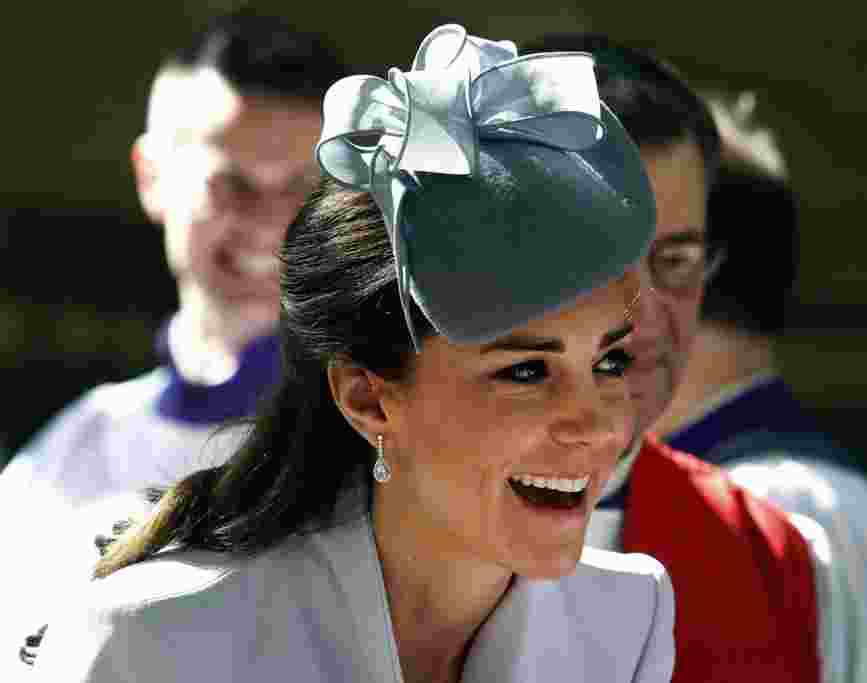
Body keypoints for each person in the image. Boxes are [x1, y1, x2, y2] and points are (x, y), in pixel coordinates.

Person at [32, 24, 674, 683]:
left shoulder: (627, 618)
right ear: (368, 397)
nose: (601, 425)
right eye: (526, 370)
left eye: (610, 363)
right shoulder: (148, 639)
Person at [525, 33, 867, 683]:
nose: (643, 313)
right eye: (606, 262)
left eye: (676, 261)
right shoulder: (380, 525)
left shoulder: (770, 536)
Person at [0, 10, 346, 676]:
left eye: (301, 188)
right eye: (231, 183)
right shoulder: (68, 452)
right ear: (152, 177)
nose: (269, 223)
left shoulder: (386, 439)